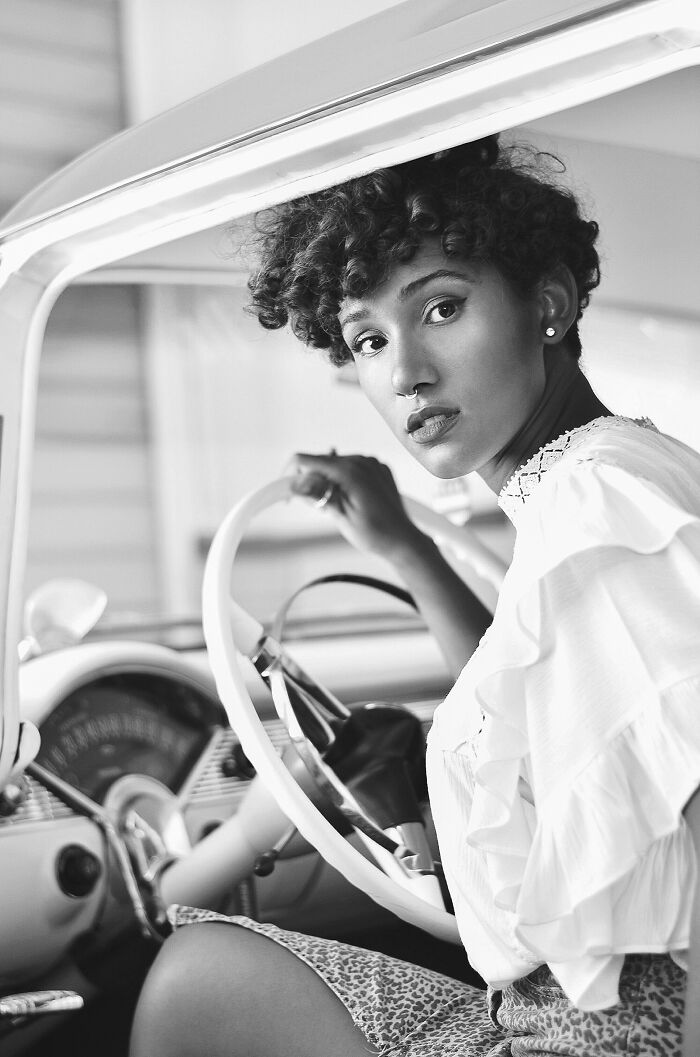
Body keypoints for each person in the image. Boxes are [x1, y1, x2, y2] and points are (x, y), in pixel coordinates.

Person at [129, 136, 700, 1056]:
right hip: (548, 1017)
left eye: (442, 306)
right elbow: (555, 700)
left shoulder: (601, 504)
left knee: (196, 983)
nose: (405, 373)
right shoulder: (601, 480)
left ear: (546, 304)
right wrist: (400, 542)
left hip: (601, 1041)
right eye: (369, 339)